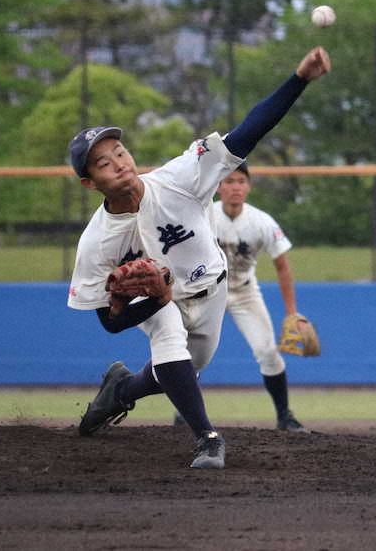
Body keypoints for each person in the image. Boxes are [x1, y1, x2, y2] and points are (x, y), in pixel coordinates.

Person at [66, 47, 331, 469]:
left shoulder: (178, 179)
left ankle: (120, 390)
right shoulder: (96, 243)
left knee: (185, 367)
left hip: (213, 288)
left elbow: (248, 132)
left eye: (119, 152)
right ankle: (208, 438)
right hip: (156, 305)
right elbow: (109, 322)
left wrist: (299, 78)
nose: (118, 163)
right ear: (88, 182)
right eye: (102, 162)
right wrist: (156, 300)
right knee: (169, 340)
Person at [213, 162, 310, 432]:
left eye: (241, 181)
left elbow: (283, 267)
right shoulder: (204, 216)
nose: (235, 187)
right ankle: (183, 413)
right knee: (191, 354)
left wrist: (292, 313)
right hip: (208, 292)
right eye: (229, 181)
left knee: (268, 351)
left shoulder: (261, 221)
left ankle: (284, 416)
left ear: (249, 187)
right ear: (218, 186)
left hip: (245, 292)